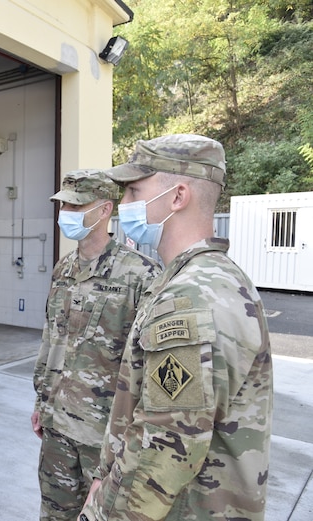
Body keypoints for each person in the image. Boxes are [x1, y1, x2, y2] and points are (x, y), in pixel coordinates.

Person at [79, 134, 273, 521]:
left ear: (178, 197)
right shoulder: (196, 278)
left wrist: (101, 514)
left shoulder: (192, 298)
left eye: (134, 191)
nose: (124, 205)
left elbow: (165, 446)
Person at [32, 169, 161, 520]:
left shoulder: (140, 274)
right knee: (54, 511)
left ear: (104, 211)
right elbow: (51, 339)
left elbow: (147, 366)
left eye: (76, 207)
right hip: (57, 424)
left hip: (104, 435)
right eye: (64, 207)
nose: (67, 215)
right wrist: (41, 401)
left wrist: (131, 438)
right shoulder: (63, 269)